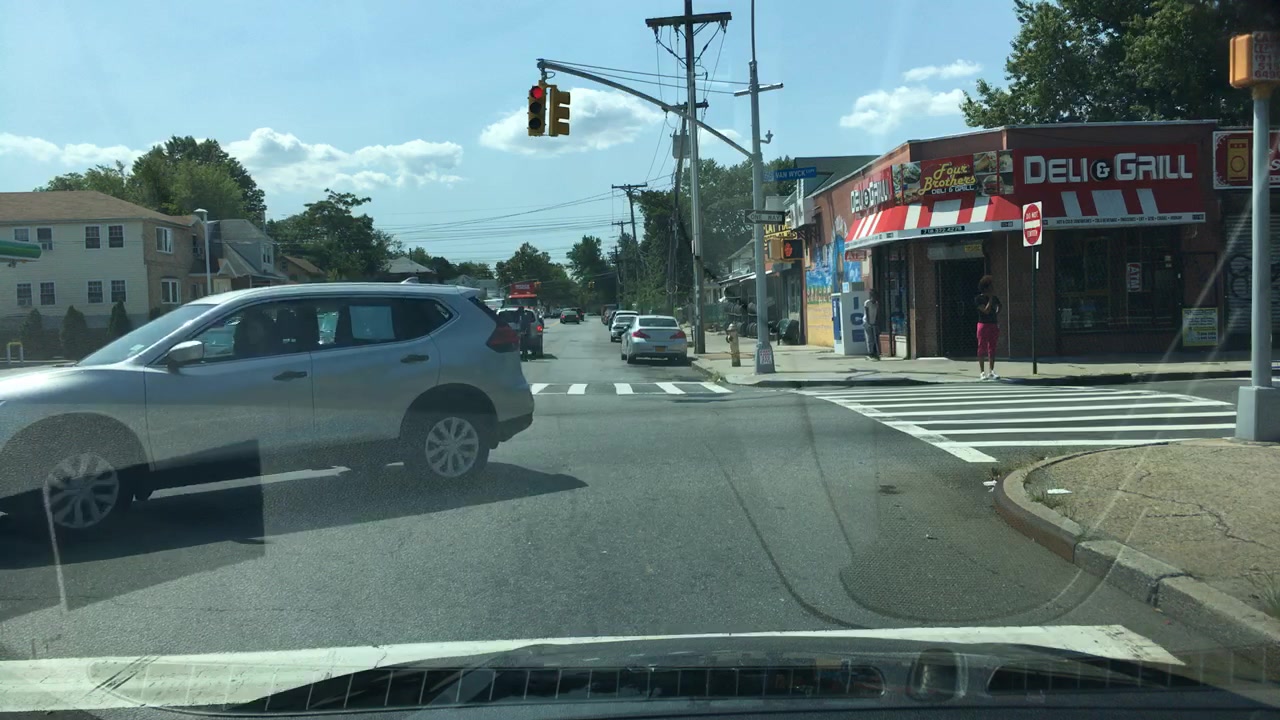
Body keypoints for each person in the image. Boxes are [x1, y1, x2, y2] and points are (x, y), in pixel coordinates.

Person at [975, 275, 1002, 380]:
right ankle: (982, 372)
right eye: (991, 286)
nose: (993, 288)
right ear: (986, 287)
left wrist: (997, 311)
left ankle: (991, 370)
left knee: (992, 347)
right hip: (983, 324)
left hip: (993, 324)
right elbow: (985, 311)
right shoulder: (979, 299)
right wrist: (990, 299)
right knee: (982, 347)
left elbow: (999, 305)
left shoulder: (995, 298)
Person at [863, 292, 881, 360]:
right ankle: (870, 353)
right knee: (870, 338)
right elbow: (867, 313)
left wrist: (876, 322)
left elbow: (877, 314)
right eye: (873, 297)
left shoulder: (876, 303)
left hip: (873, 322)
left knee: (875, 338)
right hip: (867, 322)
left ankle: (876, 352)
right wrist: (868, 323)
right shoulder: (867, 303)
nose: (874, 299)